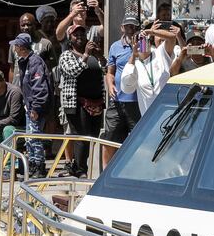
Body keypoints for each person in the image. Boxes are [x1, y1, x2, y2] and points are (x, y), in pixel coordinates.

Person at [55, 26, 104, 179]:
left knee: (93, 135)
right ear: (70, 39)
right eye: (76, 35)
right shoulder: (66, 55)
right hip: (77, 103)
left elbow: (107, 69)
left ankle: (83, 165)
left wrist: (100, 56)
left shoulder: (93, 55)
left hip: (96, 102)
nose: (80, 37)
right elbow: (72, 71)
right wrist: (85, 55)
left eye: (82, 34)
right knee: (81, 136)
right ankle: (80, 169)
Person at [101, 14, 142, 166]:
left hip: (136, 101)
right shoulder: (115, 46)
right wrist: (110, 85)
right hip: (117, 100)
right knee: (110, 139)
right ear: (122, 28)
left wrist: (138, 47)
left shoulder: (143, 43)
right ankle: (105, 174)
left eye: (134, 26)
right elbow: (110, 72)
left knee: (137, 139)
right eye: (128, 26)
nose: (131, 29)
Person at [11, 33, 51, 179]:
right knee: (29, 138)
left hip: (35, 108)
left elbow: (40, 87)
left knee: (34, 137)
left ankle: (39, 167)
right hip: (29, 105)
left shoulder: (35, 62)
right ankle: (33, 166)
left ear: (21, 47)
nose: (14, 48)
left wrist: (36, 108)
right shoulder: (25, 61)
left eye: (16, 46)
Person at [120, 23, 175, 115]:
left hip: (168, 112)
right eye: (139, 41)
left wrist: (150, 31)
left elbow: (172, 37)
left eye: (144, 40)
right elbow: (127, 88)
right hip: (149, 117)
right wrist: (134, 54)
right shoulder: (134, 64)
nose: (142, 43)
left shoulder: (160, 53)